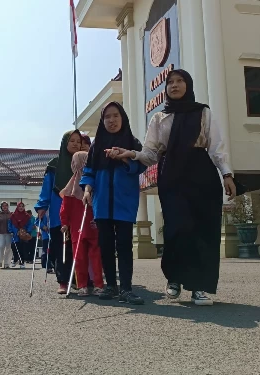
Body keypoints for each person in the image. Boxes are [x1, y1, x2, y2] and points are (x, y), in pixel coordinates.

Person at [116, 69, 236, 306]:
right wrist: (132, 153)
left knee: (202, 229)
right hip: (172, 175)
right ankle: (174, 278)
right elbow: (151, 153)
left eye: (180, 81)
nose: (174, 85)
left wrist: (227, 174)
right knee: (177, 227)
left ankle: (199, 287)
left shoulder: (203, 112)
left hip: (201, 173)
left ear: (188, 85)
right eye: (170, 82)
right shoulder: (160, 118)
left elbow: (217, 146)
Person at [81, 102, 147, 303]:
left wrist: (124, 158)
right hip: (102, 204)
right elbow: (89, 171)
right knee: (106, 245)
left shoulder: (132, 142)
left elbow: (141, 166)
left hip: (124, 203)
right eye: (107, 117)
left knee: (125, 245)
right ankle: (111, 285)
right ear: (102, 121)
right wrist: (87, 189)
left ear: (122, 117)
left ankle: (126, 288)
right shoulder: (96, 145)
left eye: (115, 115)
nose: (111, 120)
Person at [35, 130, 83, 294]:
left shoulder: (83, 162)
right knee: (60, 246)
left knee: (77, 246)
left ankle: (78, 279)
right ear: (65, 143)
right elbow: (46, 188)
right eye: (72, 141)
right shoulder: (54, 164)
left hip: (78, 208)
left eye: (79, 141)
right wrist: (42, 206)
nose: (76, 144)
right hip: (57, 211)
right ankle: (63, 281)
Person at [61, 151, 104, 297]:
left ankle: (94, 284)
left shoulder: (92, 182)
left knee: (93, 256)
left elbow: (64, 208)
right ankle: (85, 285)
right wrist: (65, 223)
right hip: (79, 227)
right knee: (82, 257)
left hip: (91, 225)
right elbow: (65, 208)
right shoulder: (71, 186)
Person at [9, 202, 32, 269]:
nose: (21, 208)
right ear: (17, 207)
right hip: (15, 234)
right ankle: (15, 260)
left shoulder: (27, 216)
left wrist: (28, 232)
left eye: (22, 206)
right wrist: (11, 231)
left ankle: (22, 262)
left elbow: (29, 225)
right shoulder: (13, 215)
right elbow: (9, 223)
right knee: (14, 247)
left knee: (22, 248)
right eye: (20, 206)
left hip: (23, 234)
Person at [0, 202, 13, 268]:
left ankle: (7, 263)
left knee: (9, 248)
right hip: (1, 233)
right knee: (0, 247)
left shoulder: (11, 214)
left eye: (6, 206)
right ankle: (0, 261)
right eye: (3, 206)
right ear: (1, 207)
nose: (5, 207)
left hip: (9, 233)